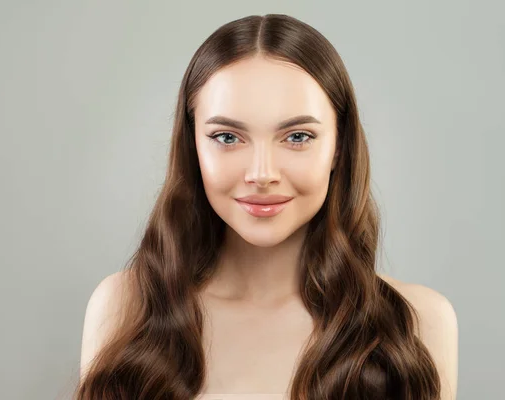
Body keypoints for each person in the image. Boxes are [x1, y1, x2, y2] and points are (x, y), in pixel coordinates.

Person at [74, 13, 458, 400]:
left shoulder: (419, 322)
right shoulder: (125, 306)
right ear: (192, 145)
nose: (262, 174)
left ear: (338, 147)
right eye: (227, 136)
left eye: (297, 136)